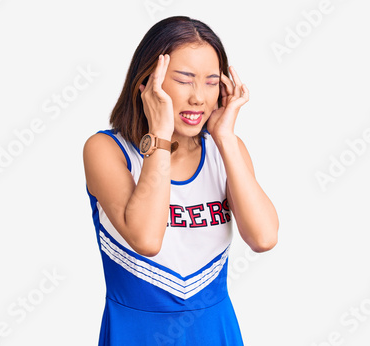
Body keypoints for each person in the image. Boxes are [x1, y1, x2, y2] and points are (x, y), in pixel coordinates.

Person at [83, 15, 279, 345]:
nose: (199, 98)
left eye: (211, 81)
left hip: (215, 330)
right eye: (185, 79)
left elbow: (263, 237)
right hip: (136, 332)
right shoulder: (106, 150)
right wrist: (158, 135)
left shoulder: (224, 150)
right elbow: (146, 239)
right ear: (148, 82)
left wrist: (226, 138)